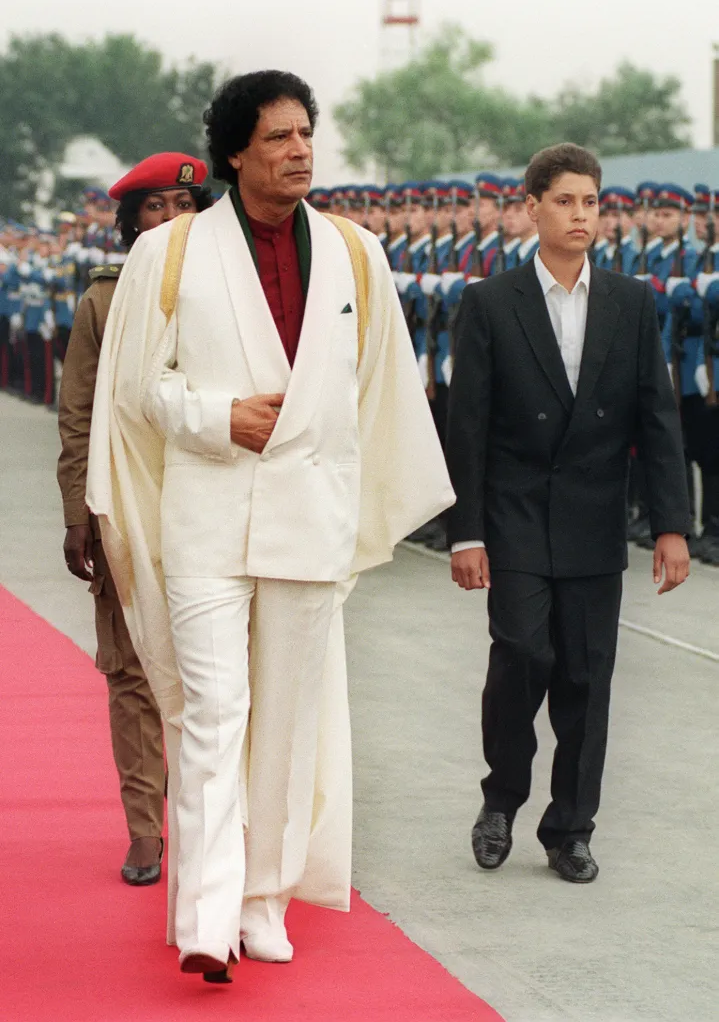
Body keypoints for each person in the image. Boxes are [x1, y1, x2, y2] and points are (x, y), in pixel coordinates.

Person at [86, 70, 453, 980]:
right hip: (205, 516)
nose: (298, 152)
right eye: (279, 137)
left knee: (288, 723)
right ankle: (206, 914)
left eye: (306, 135)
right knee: (215, 713)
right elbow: (136, 388)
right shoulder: (167, 254)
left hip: (307, 520)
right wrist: (217, 419)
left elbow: (377, 395)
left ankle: (263, 899)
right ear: (235, 151)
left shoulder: (356, 255)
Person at [446, 143, 691, 885]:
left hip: (591, 520)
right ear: (531, 209)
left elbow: (656, 414)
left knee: (586, 676)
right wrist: (467, 530)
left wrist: (671, 523)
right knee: (521, 654)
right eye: (564, 201)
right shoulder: (489, 303)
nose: (579, 214)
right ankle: (500, 799)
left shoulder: (629, 300)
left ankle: (569, 828)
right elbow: (467, 425)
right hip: (514, 515)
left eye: (590, 202)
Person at [57, 152, 213, 887]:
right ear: (131, 224)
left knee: (218, 671)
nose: (171, 222)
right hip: (126, 504)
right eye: (155, 209)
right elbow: (78, 413)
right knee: (131, 675)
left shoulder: (226, 298)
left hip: (208, 503)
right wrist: (78, 511)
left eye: (185, 209)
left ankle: (218, 827)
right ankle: (146, 830)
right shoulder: (103, 302)